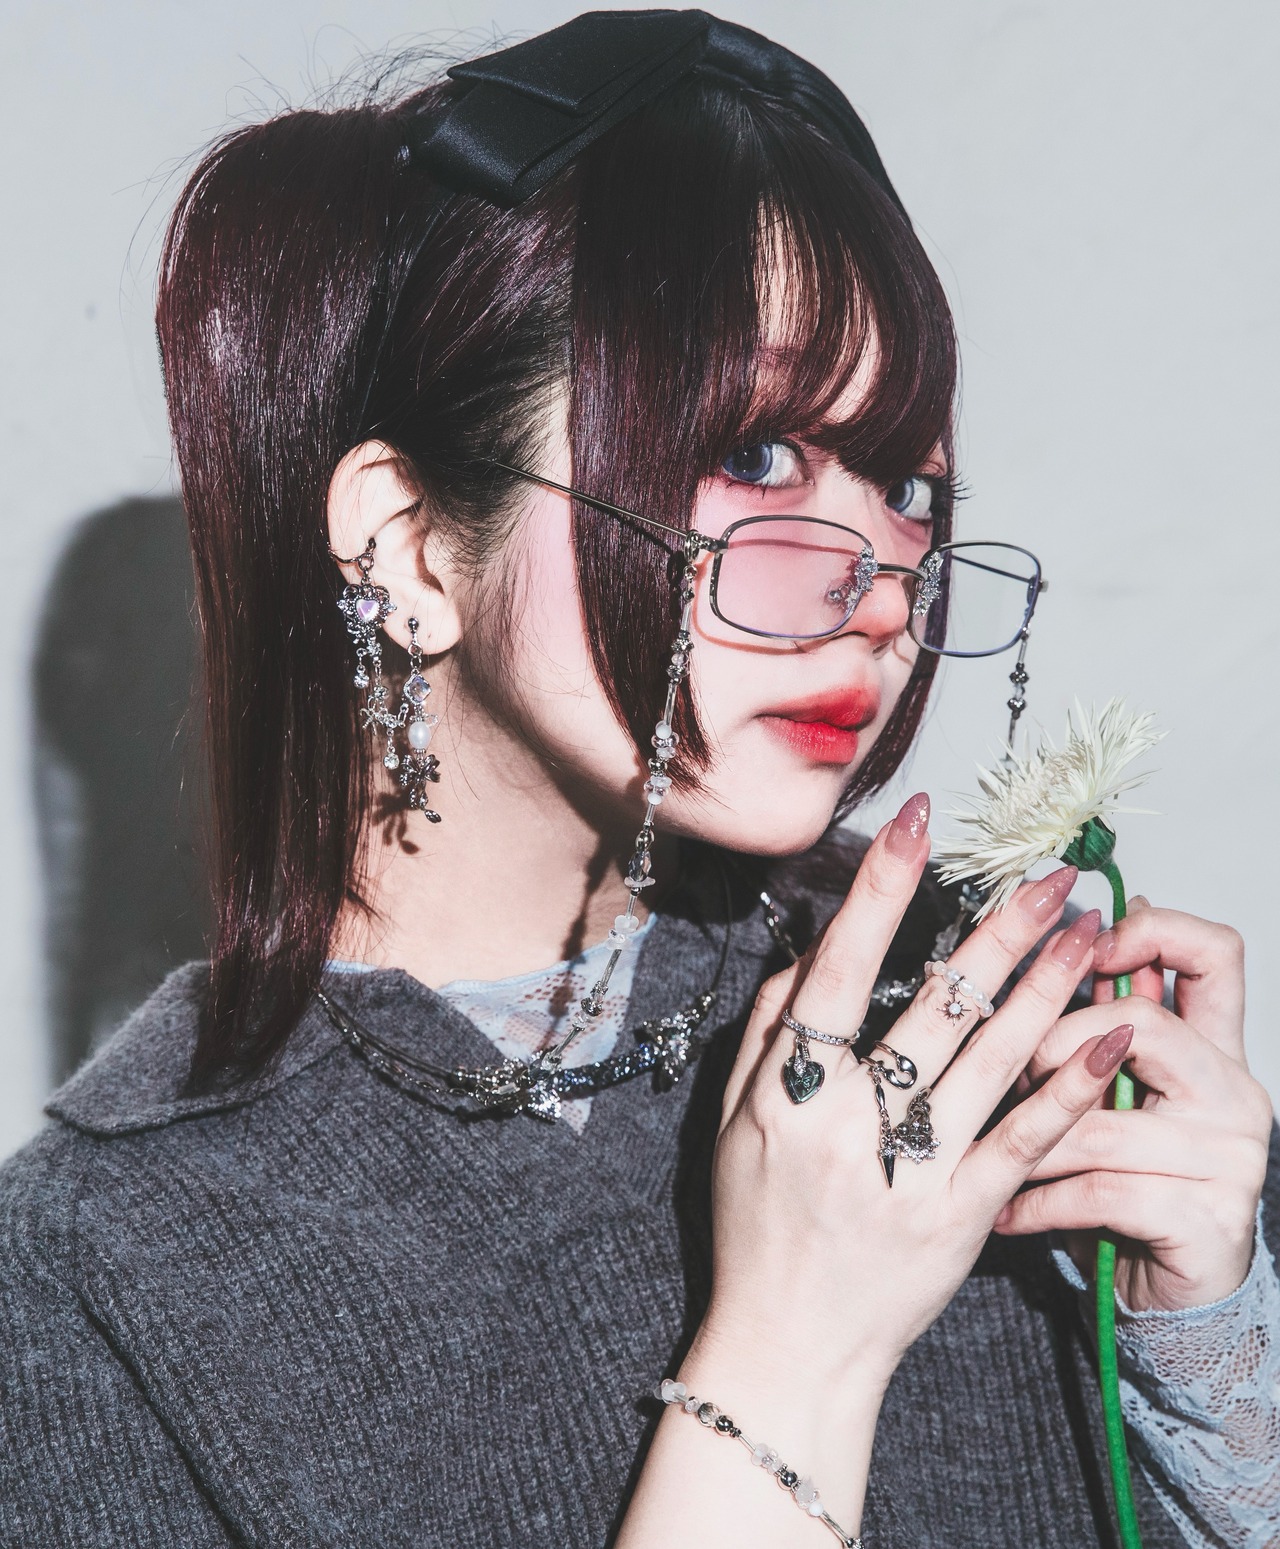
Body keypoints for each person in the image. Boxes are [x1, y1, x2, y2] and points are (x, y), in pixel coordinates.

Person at [1, 12, 1275, 1547]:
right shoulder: (104, 1270)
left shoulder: (973, 1000)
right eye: (752, 455)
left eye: (903, 483)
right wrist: (796, 1346)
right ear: (409, 546)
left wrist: (1206, 1343)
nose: (878, 580)